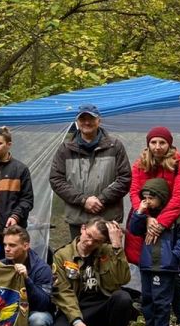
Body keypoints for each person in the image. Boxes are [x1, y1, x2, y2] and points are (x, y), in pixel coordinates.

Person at [125, 126, 180, 326]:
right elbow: (135, 192)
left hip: (170, 220)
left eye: (162, 142)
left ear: (169, 143)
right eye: (153, 142)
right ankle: (150, 315)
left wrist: (161, 223)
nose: (157, 146)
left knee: (169, 272)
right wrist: (145, 217)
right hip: (143, 218)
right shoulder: (140, 163)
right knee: (146, 265)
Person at [47, 218, 136, 326]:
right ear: (82, 228)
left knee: (123, 298)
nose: (90, 243)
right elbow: (63, 292)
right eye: (88, 236)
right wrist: (77, 322)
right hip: (77, 306)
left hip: (102, 305)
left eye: (96, 241)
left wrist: (117, 246)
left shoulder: (107, 250)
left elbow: (123, 279)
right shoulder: (62, 255)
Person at [49, 104, 131, 242]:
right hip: (78, 219)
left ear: (99, 120)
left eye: (91, 118)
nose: (87, 122)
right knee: (80, 260)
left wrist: (102, 199)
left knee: (108, 261)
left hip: (108, 219)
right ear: (77, 122)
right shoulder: (65, 149)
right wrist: (83, 200)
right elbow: (56, 180)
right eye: (82, 119)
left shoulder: (115, 146)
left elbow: (125, 178)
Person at [127, 178, 180, 326]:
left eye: (151, 198)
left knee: (161, 299)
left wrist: (175, 256)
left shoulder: (175, 218)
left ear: (161, 197)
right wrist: (140, 212)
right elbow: (134, 229)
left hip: (165, 267)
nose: (147, 202)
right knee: (147, 298)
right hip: (147, 265)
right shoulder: (145, 218)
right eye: (145, 198)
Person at [0, 226, 54, 326]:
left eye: (12, 245)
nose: (7, 249)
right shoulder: (1, 265)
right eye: (5, 244)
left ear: (26, 246)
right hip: (9, 311)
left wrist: (27, 280)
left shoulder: (41, 268)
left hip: (34, 311)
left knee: (38, 322)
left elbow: (44, 304)